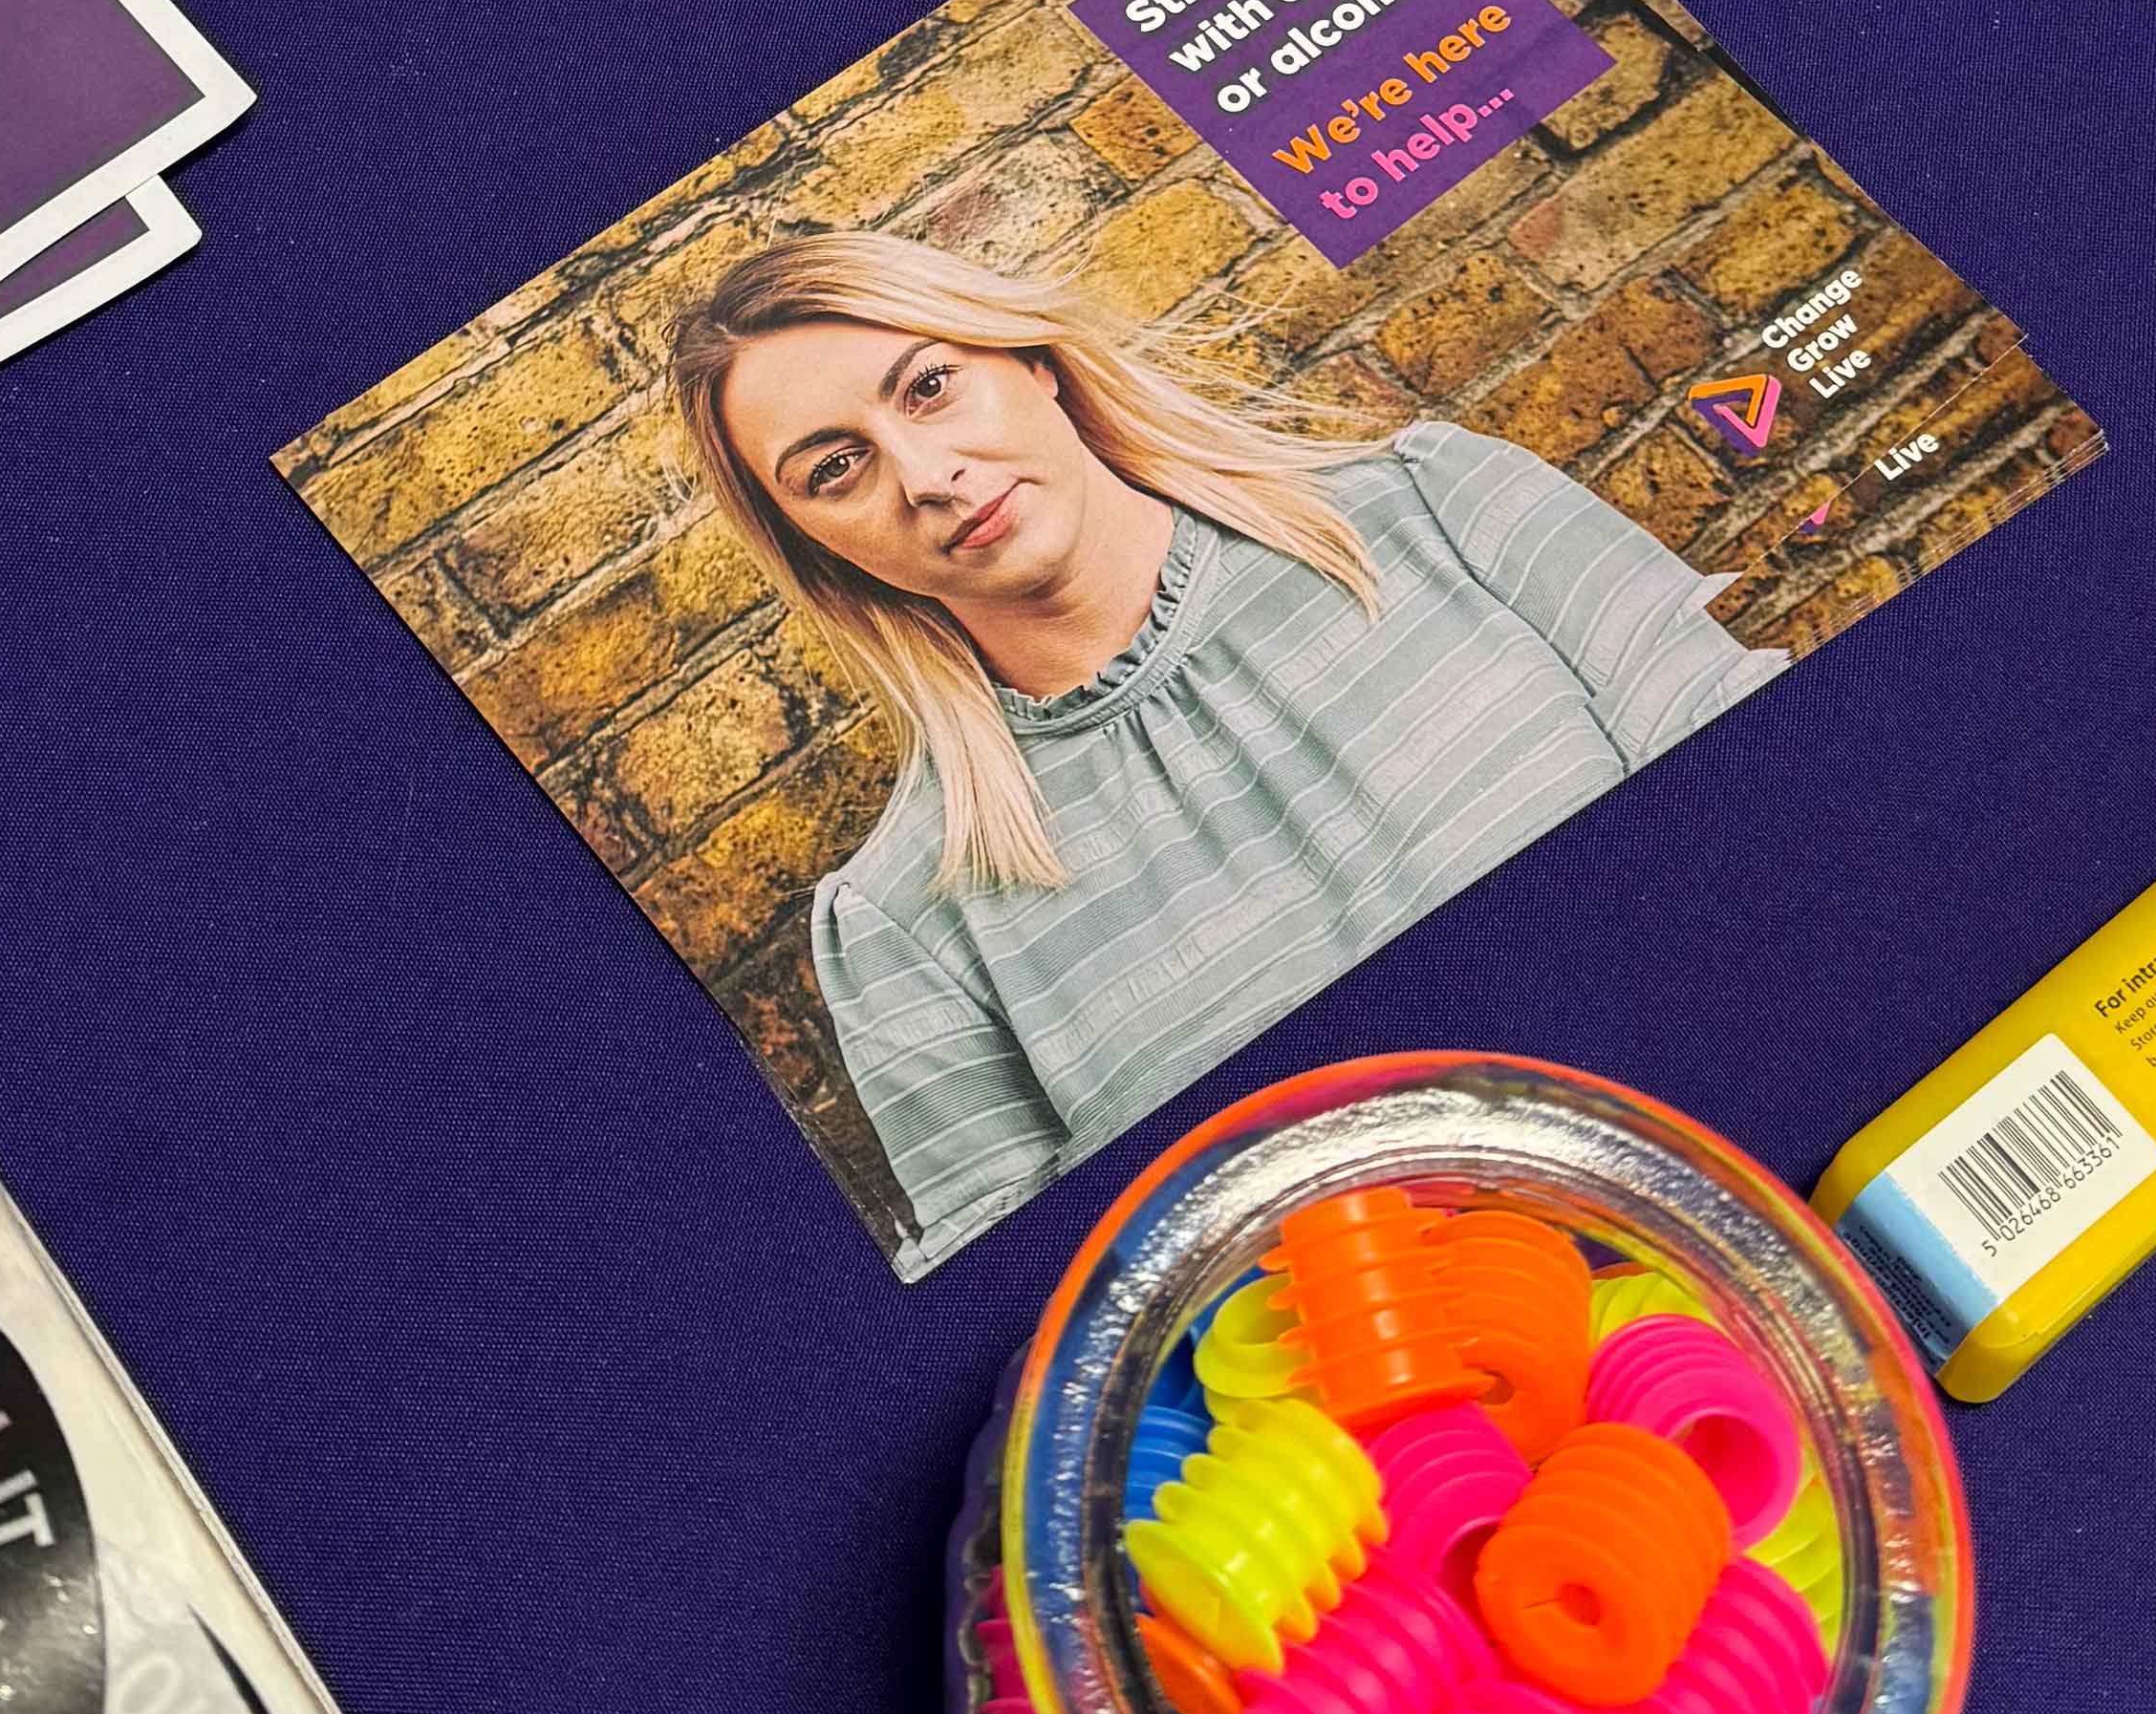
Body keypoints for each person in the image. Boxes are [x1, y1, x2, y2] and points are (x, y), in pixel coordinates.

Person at [671, 228, 1778, 1263]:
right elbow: (1057, 1311)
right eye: (834, 469)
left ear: (1033, 361)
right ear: (813, 547)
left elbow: (1787, 828)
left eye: (929, 386)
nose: (924, 475)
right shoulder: (902, 920)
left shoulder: (1444, 511)